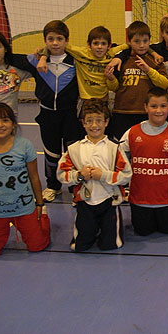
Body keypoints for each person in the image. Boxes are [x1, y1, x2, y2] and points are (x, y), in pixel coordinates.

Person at [0, 103, 50, 258]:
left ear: (13, 124)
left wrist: (40, 204)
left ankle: (43, 220)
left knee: (37, 246)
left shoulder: (25, 146)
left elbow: (34, 177)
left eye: (5, 120)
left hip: (24, 207)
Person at [17, 20, 81, 203]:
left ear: (66, 40)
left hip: (71, 116)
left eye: (59, 39)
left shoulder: (76, 62)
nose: (55, 43)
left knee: (73, 153)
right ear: (45, 41)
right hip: (47, 117)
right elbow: (10, 58)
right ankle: (53, 186)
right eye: (50, 39)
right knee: (51, 154)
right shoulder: (36, 61)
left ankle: (76, 185)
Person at [57, 99, 132, 251]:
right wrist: (79, 176)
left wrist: (103, 175)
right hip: (85, 202)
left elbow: (126, 175)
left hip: (109, 201)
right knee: (79, 246)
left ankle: (105, 229)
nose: (94, 125)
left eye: (99, 121)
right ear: (83, 123)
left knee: (111, 245)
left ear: (106, 122)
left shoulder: (114, 148)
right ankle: (90, 229)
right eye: (89, 121)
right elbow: (61, 174)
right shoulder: (74, 149)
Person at [119, 87, 168, 236]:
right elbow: (119, 162)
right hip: (139, 198)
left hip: (167, 199)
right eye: (153, 106)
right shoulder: (132, 132)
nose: (158, 110)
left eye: (163, 106)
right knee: (142, 231)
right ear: (145, 107)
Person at [105, 21, 168, 140]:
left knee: (145, 144)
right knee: (122, 147)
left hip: (145, 112)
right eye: (137, 41)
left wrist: (148, 70)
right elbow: (114, 87)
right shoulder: (122, 60)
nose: (141, 45)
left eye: (145, 41)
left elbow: (164, 84)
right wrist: (111, 78)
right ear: (129, 42)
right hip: (122, 111)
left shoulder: (154, 60)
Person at [36, 25, 128, 103]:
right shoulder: (81, 53)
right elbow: (56, 45)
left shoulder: (111, 53)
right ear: (88, 44)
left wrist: (117, 58)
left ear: (109, 46)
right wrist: (43, 57)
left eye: (103, 44)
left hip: (103, 101)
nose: (99, 47)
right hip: (84, 100)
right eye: (96, 43)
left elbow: (128, 46)